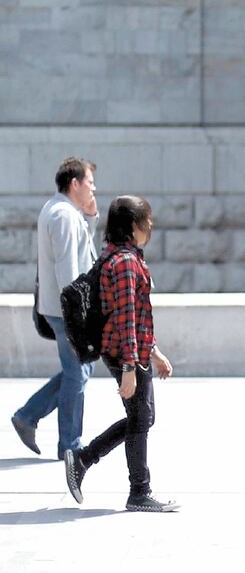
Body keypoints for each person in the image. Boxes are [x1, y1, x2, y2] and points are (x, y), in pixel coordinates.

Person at [64, 195, 178, 512]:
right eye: (147, 220)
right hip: (125, 352)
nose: (150, 226)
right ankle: (138, 492)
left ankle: (85, 460)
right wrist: (129, 367)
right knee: (141, 419)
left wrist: (153, 351)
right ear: (133, 225)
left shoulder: (118, 255)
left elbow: (136, 316)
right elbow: (126, 317)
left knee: (142, 418)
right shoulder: (125, 262)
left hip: (130, 350)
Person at [11, 157, 99, 460]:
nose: (93, 188)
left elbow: (82, 250)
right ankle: (69, 445)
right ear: (75, 183)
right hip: (66, 310)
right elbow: (67, 268)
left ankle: (28, 415)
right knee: (77, 373)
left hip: (61, 308)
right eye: (89, 182)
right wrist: (78, 314)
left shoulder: (63, 210)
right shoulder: (62, 215)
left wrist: (91, 217)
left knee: (80, 369)